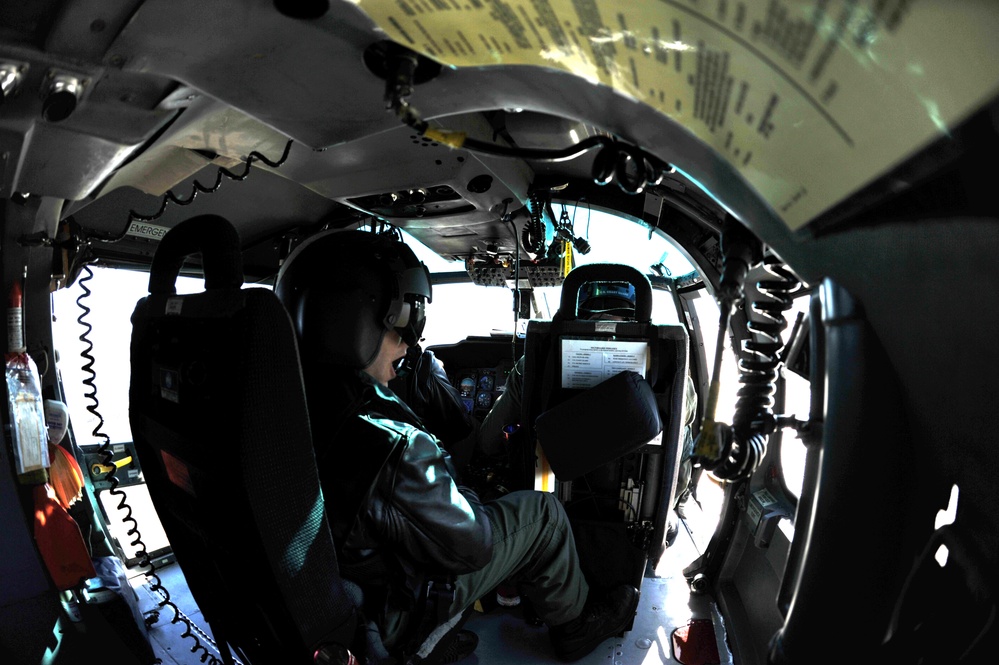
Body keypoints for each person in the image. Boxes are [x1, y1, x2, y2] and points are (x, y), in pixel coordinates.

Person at [274, 229, 639, 663]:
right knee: (544, 515)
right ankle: (577, 627)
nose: (411, 344)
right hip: (390, 611)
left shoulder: (282, 405)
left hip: (337, 593)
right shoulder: (394, 446)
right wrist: (460, 488)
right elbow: (474, 544)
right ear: (351, 323)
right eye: (404, 324)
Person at [478, 273, 698, 532]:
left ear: (579, 312)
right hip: (638, 526)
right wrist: (670, 509)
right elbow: (679, 457)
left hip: (545, 517)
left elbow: (488, 442)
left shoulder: (534, 364)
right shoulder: (672, 376)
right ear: (633, 313)